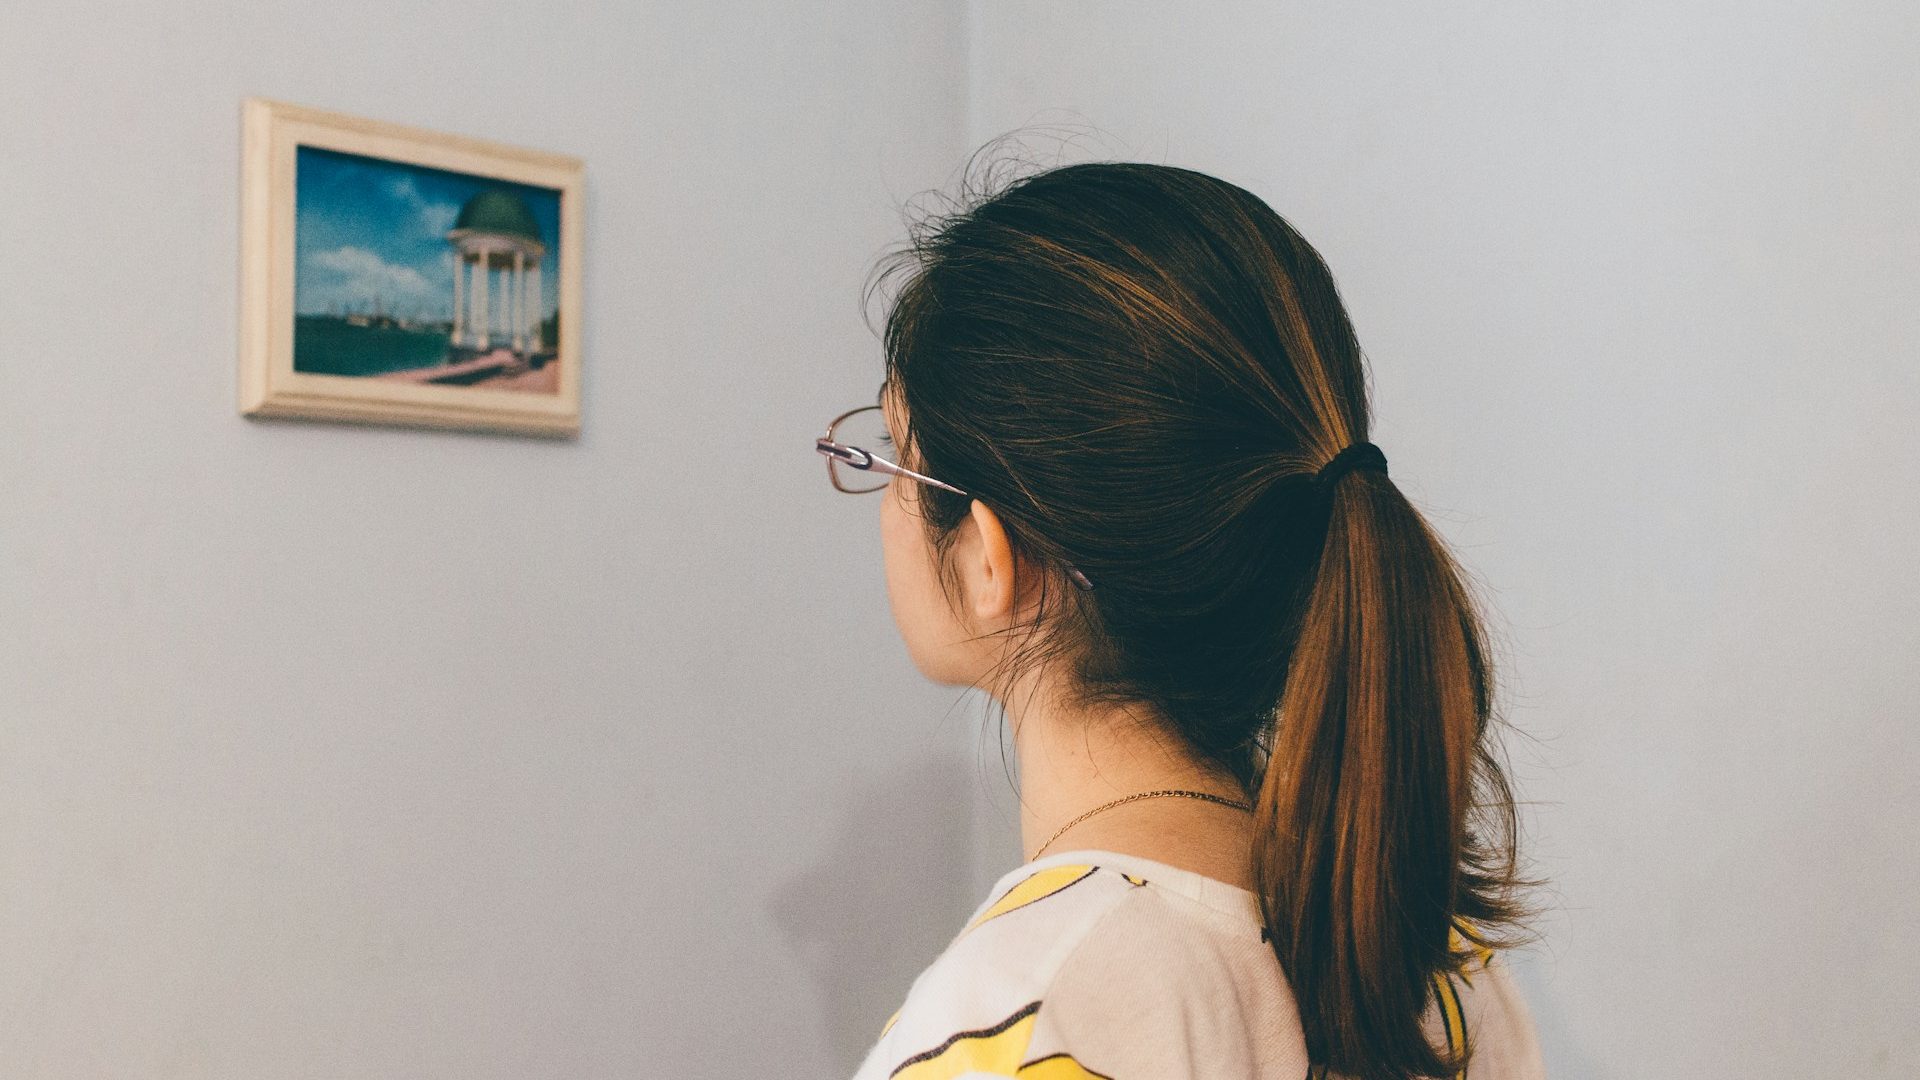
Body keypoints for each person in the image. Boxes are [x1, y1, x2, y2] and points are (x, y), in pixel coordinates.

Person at [818, 151, 1545, 1080]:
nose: (880, 498)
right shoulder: (1449, 980)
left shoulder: (1013, 1025)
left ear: (993, 556)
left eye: (892, 454)